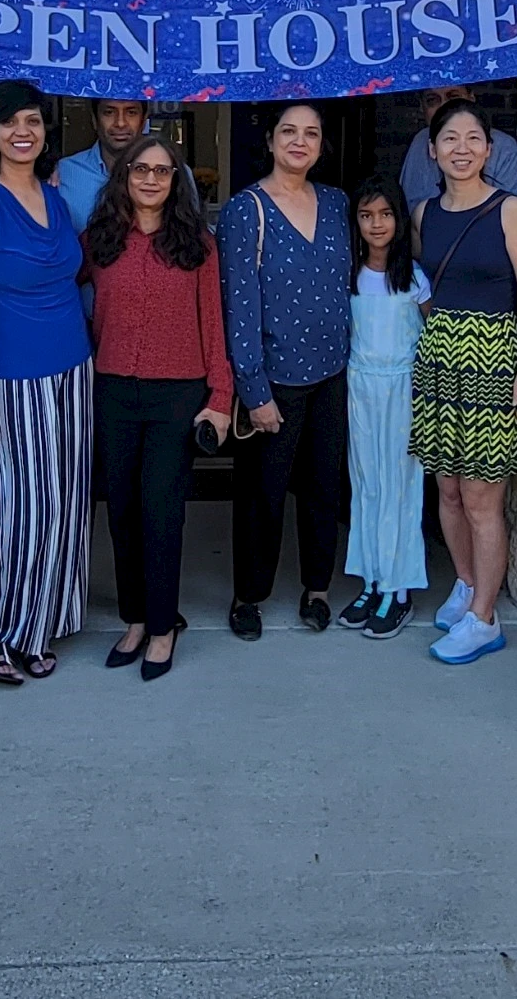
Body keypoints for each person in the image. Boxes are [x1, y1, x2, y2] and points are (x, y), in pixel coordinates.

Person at [0, 81, 93, 685]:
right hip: (14, 379)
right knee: (25, 512)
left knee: (66, 507)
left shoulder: (53, 195)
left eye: (32, 121)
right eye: (10, 123)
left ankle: (37, 627)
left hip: (73, 370)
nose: (22, 132)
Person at [84, 136, 233, 681]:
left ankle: (164, 626)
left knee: (161, 510)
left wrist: (221, 399)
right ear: (124, 176)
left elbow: (214, 325)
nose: (150, 179)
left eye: (162, 172)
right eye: (140, 169)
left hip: (178, 394)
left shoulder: (197, 244)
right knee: (121, 509)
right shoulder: (100, 241)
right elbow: (48, 281)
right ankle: (135, 619)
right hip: (115, 389)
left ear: (176, 182)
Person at [410, 98, 517, 666]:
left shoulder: (510, 210)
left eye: (473, 139)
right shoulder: (422, 213)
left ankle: (485, 619)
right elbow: (423, 283)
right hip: (440, 360)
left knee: (481, 497)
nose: (461, 149)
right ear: (433, 149)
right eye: (449, 139)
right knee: (445, 488)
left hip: (493, 360)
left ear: (489, 149)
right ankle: (466, 585)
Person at [217, 102, 352, 640]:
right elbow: (239, 306)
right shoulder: (245, 209)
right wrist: (253, 390)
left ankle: (317, 589)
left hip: (333, 374)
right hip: (274, 380)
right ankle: (248, 596)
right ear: (271, 140)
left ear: (322, 145)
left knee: (324, 490)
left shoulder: (339, 204)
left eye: (311, 133)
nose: (300, 141)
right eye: (289, 132)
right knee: (261, 496)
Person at [336, 175, 433, 641]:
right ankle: (372, 580)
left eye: (386, 214)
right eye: (366, 215)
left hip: (403, 390)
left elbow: (433, 335)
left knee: (400, 486)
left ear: (399, 218)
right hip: (361, 389)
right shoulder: (348, 274)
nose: (376, 225)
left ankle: (399, 587)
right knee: (367, 485)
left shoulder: (414, 278)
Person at [399, 83, 517, 213]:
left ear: (471, 98)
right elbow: (408, 208)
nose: (444, 106)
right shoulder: (420, 141)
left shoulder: (504, 147)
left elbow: (507, 213)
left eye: (453, 97)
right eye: (432, 100)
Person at [55, 96, 152, 232]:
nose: (120, 123)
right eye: (109, 112)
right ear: (94, 120)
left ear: (143, 120)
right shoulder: (64, 172)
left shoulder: (171, 175)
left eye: (131, 112)